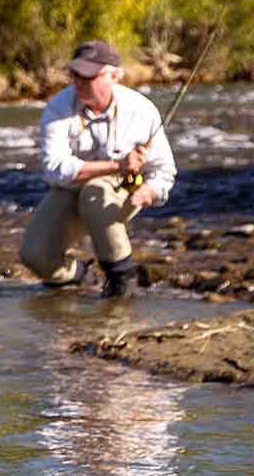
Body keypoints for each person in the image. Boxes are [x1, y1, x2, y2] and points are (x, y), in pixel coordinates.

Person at [21, 40, 177, 297]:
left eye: (89, 75)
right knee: (34, 255)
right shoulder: (58, 108)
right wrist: (117, 164)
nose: (80, 81)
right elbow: (55, 169)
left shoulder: (141, 110)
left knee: (95, 193)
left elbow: (163, 171)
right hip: (72, 185)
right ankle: (79, 275)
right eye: (76, 75)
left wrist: (149, 192)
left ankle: (122, 281)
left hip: (129, 183)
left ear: (115, 75)